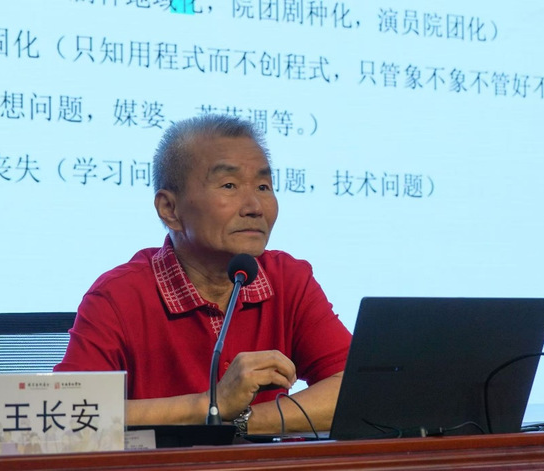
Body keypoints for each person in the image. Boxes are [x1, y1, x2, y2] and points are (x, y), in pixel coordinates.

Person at [55, 114, 352, 435]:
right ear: (170, 209)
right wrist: (210, 405)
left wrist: (239, 423)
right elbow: (65, 415)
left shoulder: (288, 279)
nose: (255, 206)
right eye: (229, 185)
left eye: (264, 186)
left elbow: (354, 392)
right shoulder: (119, 295)